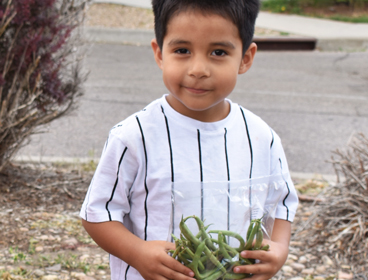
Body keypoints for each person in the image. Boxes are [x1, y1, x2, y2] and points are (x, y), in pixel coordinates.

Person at [80, 0, 299, 279]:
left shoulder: (262, 137)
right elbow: (97, 213)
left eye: (218, 52)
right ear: (159, 54)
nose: (198, 69)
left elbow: (282, 204)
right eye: (182, 50)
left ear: (245, 58)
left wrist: (279, 248)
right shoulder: (134, 136)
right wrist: (137, 253)